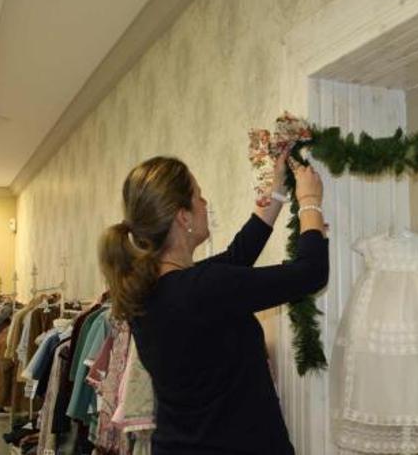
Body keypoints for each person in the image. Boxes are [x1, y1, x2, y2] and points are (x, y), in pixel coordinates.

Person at [99, 151, 328, 454]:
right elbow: (310, 273)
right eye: (199, 197)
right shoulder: (204, 288)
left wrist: (277, 193)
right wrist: (310, 200)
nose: (205, 204)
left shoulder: (149, 290)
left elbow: (237, 258)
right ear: (183, 217)